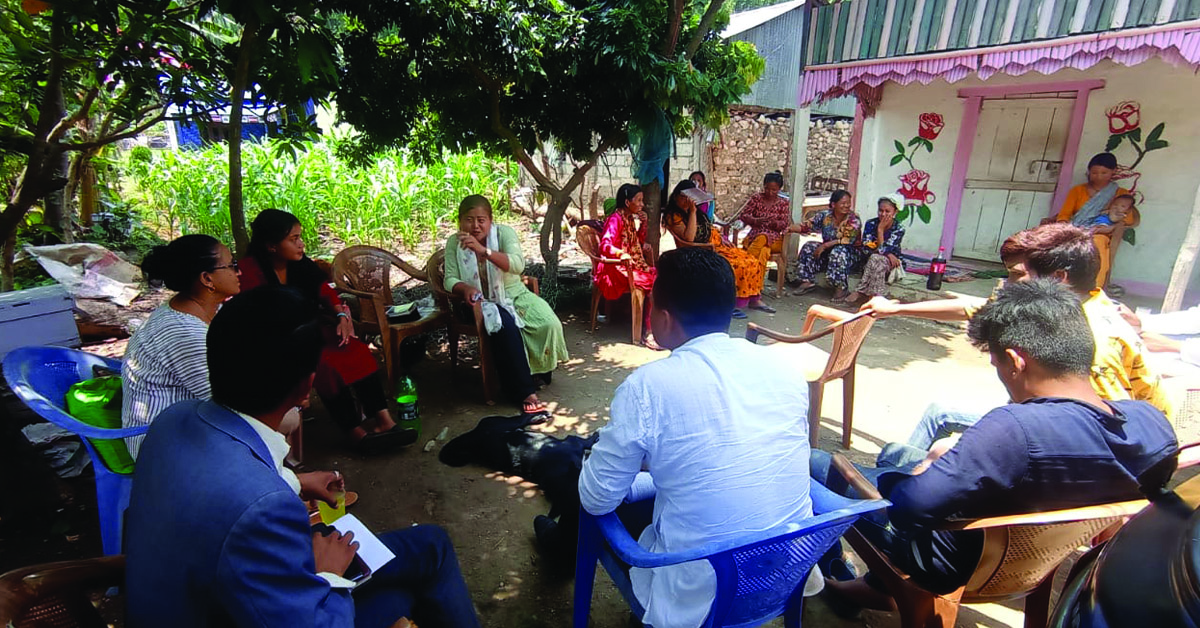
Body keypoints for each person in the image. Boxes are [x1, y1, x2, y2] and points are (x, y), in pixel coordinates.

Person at [124, 286, 480, 628]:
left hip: (191, 599)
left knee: (429, 547)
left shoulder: (171, 420)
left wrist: (296, 480)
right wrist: (327, 574)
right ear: (306, 386)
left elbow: (224, 493)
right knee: (410, 582)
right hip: (234, 612)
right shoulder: (264, 508)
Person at [815, 279, 1178, 613]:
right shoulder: (1152, 425)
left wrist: (927, 468)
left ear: (1017, 361)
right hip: (1036, 555)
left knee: (815, 464)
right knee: (895, 452)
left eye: (997, 364)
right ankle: (870, 587)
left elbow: (907, 511)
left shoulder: (1013, 431)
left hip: (953, 561)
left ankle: (835, 573)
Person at [579, 247, 813, 628]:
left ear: (665, 319)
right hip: (783, 576)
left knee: (595, 490)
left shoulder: (647, 387)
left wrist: (600, 461)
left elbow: (596, 498)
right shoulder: (782, 367)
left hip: (699, 597)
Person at [862, 223, 1171, 450]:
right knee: (941, 414)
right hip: (1054, 422)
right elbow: (973, 307)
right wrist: (895, 309)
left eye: (1016, 276)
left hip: (1077, 443)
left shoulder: (1095, 340)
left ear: (1058, 278)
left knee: (938, 434)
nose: (1006, 285)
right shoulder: (1074, 301)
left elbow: (1111, 432)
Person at [238, 209, 415, 452]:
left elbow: (325, 291)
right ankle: (355, 433)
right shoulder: (249, 272)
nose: (301, 245)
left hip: (312, 331)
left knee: (357, 351)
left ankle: (384, 420)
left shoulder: (300, 265)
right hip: (277, 343)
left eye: (300, 237)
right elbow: (254, 320)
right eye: (293, 239)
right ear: (271, 246)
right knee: (327, 366)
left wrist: (341, 315)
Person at [443, 195, 569, 415]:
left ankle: (538, 371)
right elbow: (449, 279)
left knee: (549, 323)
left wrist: (484, 252)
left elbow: (518, 265)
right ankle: (523, 391)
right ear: (460, 221)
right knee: (505, 326)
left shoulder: (504, 234)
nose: (475, 226)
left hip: (514, 293)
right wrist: (465, 289)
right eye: (469, 220)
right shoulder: (455, 242)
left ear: (491, 221)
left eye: (481, 219)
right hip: (477, 301)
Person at [121, 235, 240, 459]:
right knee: (282, 415)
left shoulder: (194, 310)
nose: (238, 272)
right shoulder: (185, 333)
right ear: (207, 279)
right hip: (162, 446)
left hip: (183, 423)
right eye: (232, 265)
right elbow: (228, 403)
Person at [661, 179, 772, 318]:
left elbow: (710, 228)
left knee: (751, 260)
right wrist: (693, 212)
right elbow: (688, 238)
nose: (686, 201)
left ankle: (754, 299)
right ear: (676, 196)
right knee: (737, 265)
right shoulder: (674, 215)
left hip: (717, 244)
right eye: (683, 197)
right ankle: (730, 303)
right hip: (702, 249)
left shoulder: (694, 212)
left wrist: (723, 239)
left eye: (689, 198)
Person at [1053, 152, 1138, 292]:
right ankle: (1060, 283)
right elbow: (1065, 214)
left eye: (1104, 173)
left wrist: (1110, 226)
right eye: (1094, 173)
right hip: (1076, 227)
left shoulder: (1120, 193)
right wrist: (1065, 228)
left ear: (1113, 172)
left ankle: (1094, 287)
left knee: (1097, 242)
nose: (1098, 176)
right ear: (1089, 172)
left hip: (1101, 232)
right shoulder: (1077, 191)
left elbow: (1128, 218)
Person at [595, 183, 656, 345]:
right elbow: (605, 246)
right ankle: (648, 331)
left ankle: (651, 326)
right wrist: (621, 254)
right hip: (614, 268)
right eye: (639, 200)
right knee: (650, 281)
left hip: (630, 265)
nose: (642, 205)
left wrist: (644, 224)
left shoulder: (628, 218)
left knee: (658, 275)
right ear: (628, 203)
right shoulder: (615, 219)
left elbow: (637, 242)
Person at [792, 190, 863, 300]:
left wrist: (825, 246)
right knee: (809, 246)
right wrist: (791, 228)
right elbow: (808, 226)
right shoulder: (825, 215)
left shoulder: (854, 219)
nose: (847, 206)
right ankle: (807, 281)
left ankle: (840, 289)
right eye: (843, 203)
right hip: (830, 253)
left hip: (849, 256)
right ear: (834, 204)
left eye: (848, 203)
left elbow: (847, 240)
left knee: (838, 251)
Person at [740, 171, 803, 284]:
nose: (769, 192)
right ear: (764, 186)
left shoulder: (783, 203)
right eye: (767, 189)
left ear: (779, 189)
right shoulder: (756, 198)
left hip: (775, 239)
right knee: (763, 252)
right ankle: (756, 286)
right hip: (755, 236)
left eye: (774, 190)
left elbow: (785, 224)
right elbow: (744, 215)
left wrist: (775, 223)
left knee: (763, 237)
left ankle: (745, 265)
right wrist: (755, 220)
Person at [842, 195, 906, 306]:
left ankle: (860, 290)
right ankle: (876, 297)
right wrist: (887, 253)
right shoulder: (871, 224)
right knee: (876, 258)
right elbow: (867, 248)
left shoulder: (898, 228)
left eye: (887, 211)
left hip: (890, 264)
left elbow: (881, 250)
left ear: (895, 212)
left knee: (877, 258)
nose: (883, 214)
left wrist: (880, 230)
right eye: (881, 210)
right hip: (868, 261)